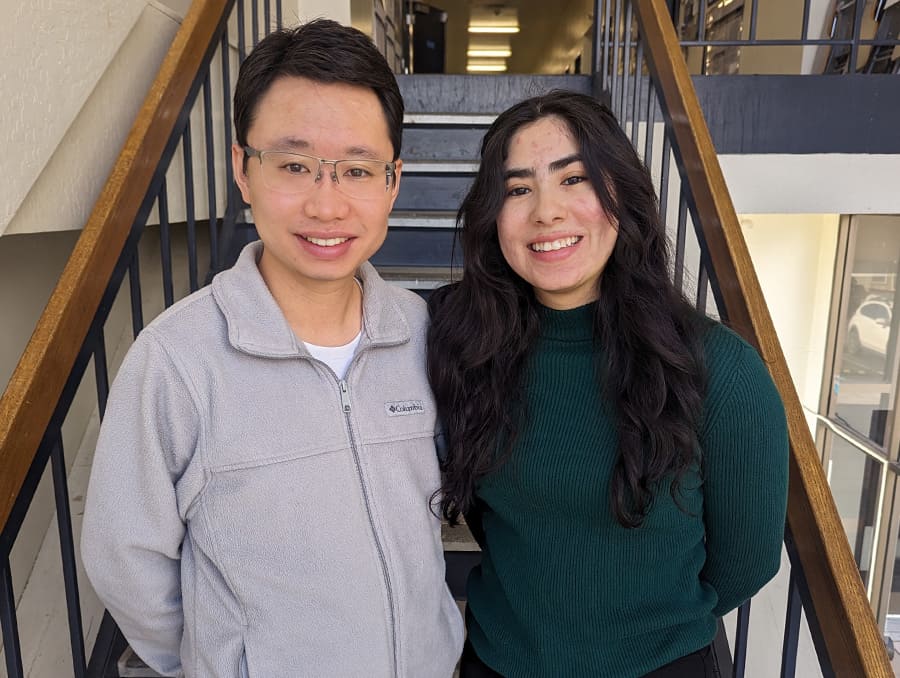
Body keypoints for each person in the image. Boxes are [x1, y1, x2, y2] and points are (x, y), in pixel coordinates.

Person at [82, 19, 463, 678]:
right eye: (293, 165)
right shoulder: (175, 361)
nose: (327, 203)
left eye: (356, 169)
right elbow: (127, 559)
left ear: (392, 182)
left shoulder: (421, 333)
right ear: (243, 170)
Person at [426, 90, 789, 678]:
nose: (546, 212)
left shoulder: (720, 369)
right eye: (519, 189)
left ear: (621, 193)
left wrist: (635, 637)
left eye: (574, 180)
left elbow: (745, 561)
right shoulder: (465, 350)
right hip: (496, 664)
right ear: (494, 219)